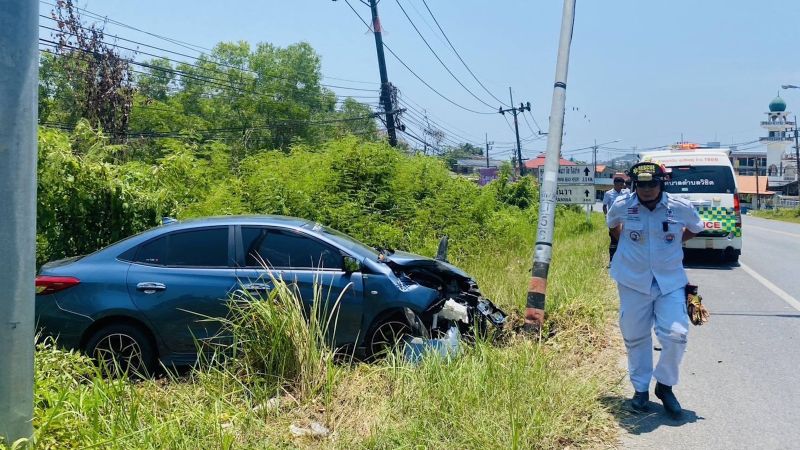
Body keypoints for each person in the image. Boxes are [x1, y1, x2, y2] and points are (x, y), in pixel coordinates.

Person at [606, 162, 704, 419]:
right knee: (635, 336)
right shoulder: (623, 206)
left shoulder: (679, 207)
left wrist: (673, 246)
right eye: (642, 184)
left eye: (653, 184)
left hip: (669, 281)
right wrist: (626, 244)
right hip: (632, 280)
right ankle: (640, 390)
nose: (647, 189)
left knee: (676, 335)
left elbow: (695, 228)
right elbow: (612, 224)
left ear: (662, 183)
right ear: (635, 185)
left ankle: (665, 385)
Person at [602, 175, 630, 263]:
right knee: (614, 240)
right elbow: (604, 206)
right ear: (614, 184)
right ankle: (611, 260)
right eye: (619, 185)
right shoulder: (608, 193)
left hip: (624, 220)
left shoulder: (626, 193)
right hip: (614, 220)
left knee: (625, 240)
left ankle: (623, 260)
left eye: (622, 185)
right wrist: (607, 216)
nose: (621, 187)